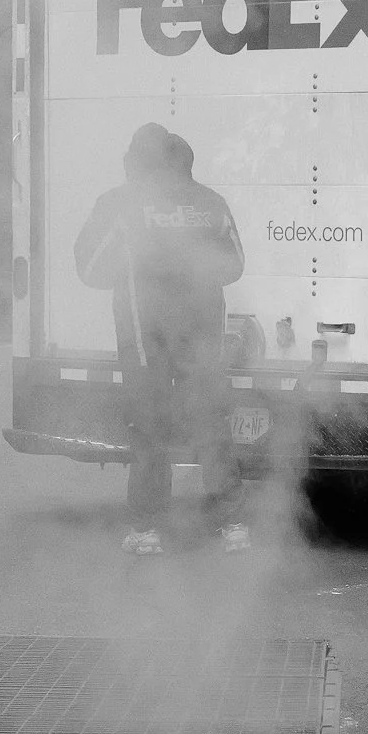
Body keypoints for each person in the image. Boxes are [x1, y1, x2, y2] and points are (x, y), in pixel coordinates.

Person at [74, 123, 249, 554]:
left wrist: (135, 269)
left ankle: (147, 528)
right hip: (201, 336)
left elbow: (89, 266)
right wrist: (193, 269)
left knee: (148, 425)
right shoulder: (210, 204)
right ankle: (231, 525)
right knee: (210, 420)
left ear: (137, 161)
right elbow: (235, 264)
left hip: (144, 335)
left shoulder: (121, 205)